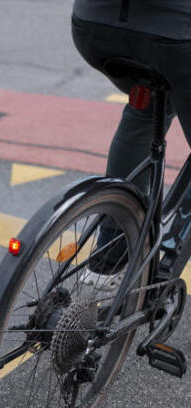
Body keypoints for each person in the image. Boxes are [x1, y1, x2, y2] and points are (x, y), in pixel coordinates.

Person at [72, 1, 191, 284]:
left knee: (146, 110)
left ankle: (111, 257)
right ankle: (165, 262)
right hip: (176, 39)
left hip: (94, 30)